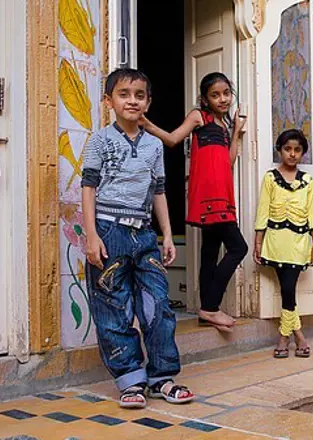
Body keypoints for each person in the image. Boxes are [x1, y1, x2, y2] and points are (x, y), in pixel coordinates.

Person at [82, 68, 194, 408]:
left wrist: (167, 236)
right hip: (108, 231)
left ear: (148, 101)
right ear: (108, 101)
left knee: (158, 305)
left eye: (139, 95)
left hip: (143, 234)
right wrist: (91, 236)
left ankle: (162, 377)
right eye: (124, 94)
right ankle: (130, 380)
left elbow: (158, 191)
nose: (132, 100)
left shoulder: (154, 145)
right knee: (114, 309)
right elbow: (88, 188)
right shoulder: (99, 140)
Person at [141, 72, 247, 332]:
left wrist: (237, 132)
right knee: (238, 248)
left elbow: (229, 161)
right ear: (204, 98)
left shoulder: (224, 125)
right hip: (209, 194)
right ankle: (210, 307)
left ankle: (204, 313)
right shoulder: (199, 116)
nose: (222, 99)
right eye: (215, 95)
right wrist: (145, 123)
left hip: (223, 193)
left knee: (210, 252)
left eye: (226, 93)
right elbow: (173, 139)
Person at [253, 129, 313, 359]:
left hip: (299, 242)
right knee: (288, 288)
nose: (292, 154)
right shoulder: (270, 178)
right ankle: (297, 336)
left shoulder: (308, 181)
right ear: (280, 150)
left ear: (303, 153)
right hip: (275, 241)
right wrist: (258, 242)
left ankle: (286, 336)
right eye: (287, 149)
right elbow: (263, 211)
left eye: (297, 150)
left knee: (288, 289)